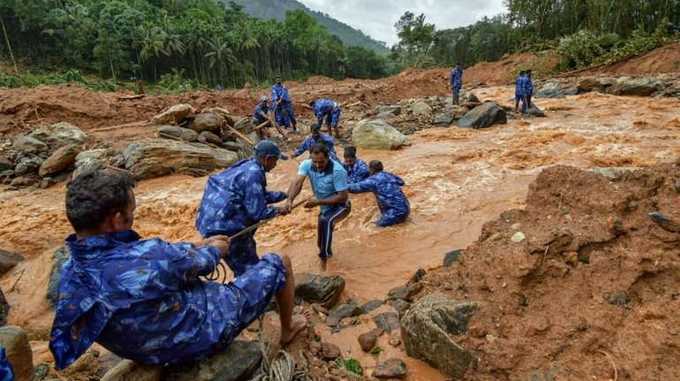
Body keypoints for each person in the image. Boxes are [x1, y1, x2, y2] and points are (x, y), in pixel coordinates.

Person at [49, 169, 306, 370]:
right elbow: (205, 260)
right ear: (116, 220)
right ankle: (287, 330)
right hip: (194, 338)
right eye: (131, 212)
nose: (133, 216)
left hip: (138, 349)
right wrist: (215, 248)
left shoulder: (70, 270)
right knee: (279, 261)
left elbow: (160, 260)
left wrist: (199, 246)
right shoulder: (152, 255)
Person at [196, 140, 289, 277]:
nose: (275, 165)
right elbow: (258, 212)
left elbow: (256, 195)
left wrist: (284, 195)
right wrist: (280, 210)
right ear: (267, 159)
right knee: (249, 270)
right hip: (226, 228)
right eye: (275, 161)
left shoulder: (245, 165)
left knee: (242, 265)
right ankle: (253, 295)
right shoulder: (254, 174)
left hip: (207, 222)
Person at [286, 143, 350, 270]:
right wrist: (289, 200)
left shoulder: (338, 170)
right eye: (314, 162)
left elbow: (343, 197)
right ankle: (328, 256)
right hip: (325, 207)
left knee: (326, 221)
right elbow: (297, 182)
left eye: (321, 162)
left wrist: (318, 202)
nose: (317, 165)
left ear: (328, 158)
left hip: (341, 206)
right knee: (320, 242)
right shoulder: (306, 164)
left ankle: (324, 263)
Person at [349, 160, 410, 227]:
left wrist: (340, 186)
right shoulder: (389, 175)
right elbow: (401, 182)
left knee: (374, 228)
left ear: (371, 170)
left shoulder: (372, 181)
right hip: (406, 208)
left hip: (395, 212)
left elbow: (354, 189)